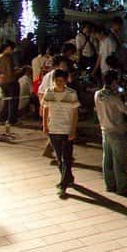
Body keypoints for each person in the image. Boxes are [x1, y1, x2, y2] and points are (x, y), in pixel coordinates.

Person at [42, 69, 79, 198]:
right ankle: (68, 177)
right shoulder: (49, 92)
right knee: (59, 157)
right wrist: (45, 125)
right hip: (53, 129)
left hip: (66, 129)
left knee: (66, 157)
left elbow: (75, 113)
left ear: (65, 81)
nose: (59, 83)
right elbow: (45, 109)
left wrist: (73, 130)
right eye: (57, 81)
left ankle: (63, 184)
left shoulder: (71, 94)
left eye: (61, 81)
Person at [94, 70, 127, 194]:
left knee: (107, 159)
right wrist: (125, 99)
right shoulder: (114, 98)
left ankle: (110, 184)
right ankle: (122, 186)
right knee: (119, 160)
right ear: (114, 82)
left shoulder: (97, 94)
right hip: (116, 131)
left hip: (104, 129)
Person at [0, 40, 23, 125]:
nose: (13, 50)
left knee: (6, 101)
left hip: (3, 82)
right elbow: (10, 73)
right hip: (11, 82)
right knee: (13, 101)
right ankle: (12, 120)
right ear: (8, 48)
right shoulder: (8, 57)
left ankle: (2, 118)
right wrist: (19, 71)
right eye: (12, 48)